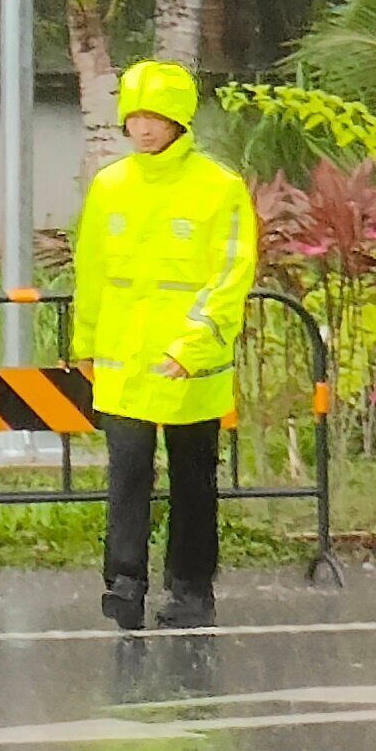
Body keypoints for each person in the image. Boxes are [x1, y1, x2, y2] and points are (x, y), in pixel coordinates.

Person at [77, 57, 259, 631]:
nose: (143, 128)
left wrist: (191, 348)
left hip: (190, 367)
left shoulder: (219, 188)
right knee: (126, 476)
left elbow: (230, 275)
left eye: (155, 116)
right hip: (124, 362)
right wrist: (85, 343)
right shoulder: (110, 186)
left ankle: (190, 588)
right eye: (134, 116)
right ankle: (124, 584)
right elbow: (92, 273)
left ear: (180, 119)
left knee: (193, 480)